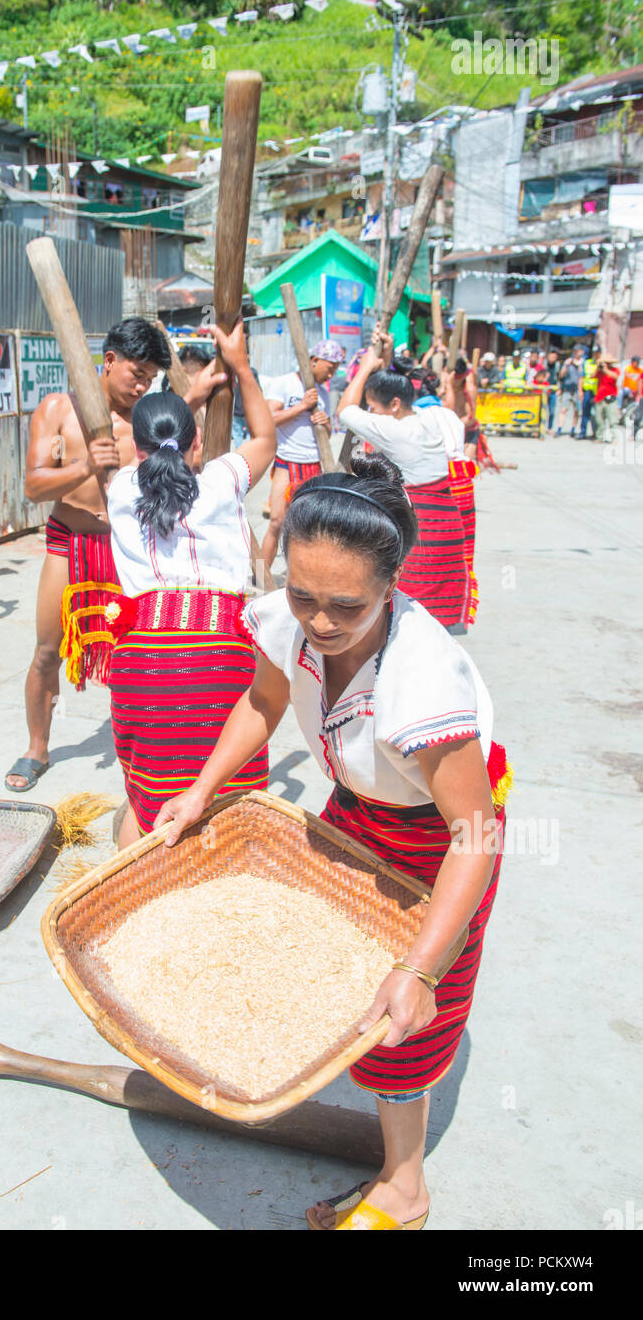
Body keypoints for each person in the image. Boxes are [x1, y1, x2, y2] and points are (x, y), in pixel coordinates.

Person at [156, 458, 510, 1231]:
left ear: (391, 585)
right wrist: (200, 789)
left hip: (438, 837)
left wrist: (421, 969)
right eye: (302, 594)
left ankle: (404, 1185)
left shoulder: (420, 679)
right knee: (327, 967)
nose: (318, 621)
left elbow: (474, 834)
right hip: (357, 807)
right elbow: (263, 697)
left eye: (344, 606)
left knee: (402, 1017)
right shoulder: (291, 621)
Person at [5, 318, 225, 792]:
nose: (142, 384)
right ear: (108, 361)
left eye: (150, 377)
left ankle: (142, 747)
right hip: (71, 539)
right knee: (47, 649)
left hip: (132, 547)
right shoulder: (58, 408)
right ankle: (36, 747)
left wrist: (200, 394)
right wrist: (86, 465)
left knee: (138, 653)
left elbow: (190, 452)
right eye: (136, 372)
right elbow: (33, 485)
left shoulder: (149, 418)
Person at [106, 319, 276, 848]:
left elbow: (159, 450)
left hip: (143, 659)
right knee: (231, 802)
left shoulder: (117, 489)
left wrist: (191, 398)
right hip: (223, 653)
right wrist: (240, 366)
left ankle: (140, 896)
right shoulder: (223, 480)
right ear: (198, 441)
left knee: (145, 801)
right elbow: (266, 437)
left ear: (136, 448)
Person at [337, 332, 470, 631]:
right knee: (433, 615)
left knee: (407, 614)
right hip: (446, 520)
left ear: (394, 404)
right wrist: (383, 359)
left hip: (420, 524)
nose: (370, 414)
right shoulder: (427, 416)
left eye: (373, 407)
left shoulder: (394, 430)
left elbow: (344, 409)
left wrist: (366, 367)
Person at [260, 339, 344, 575]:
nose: (332, 374)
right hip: (287, 462)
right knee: (276, 522)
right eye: (330, 367)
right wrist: (301, 407)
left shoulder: (325, 395)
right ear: (314, 361)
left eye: (336, 369)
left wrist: (325, 424)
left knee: (306, 528)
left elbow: (326, 435)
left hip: (313, 465)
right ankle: (259, 577)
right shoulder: (285, 383)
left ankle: (300, 577)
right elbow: (267, 418)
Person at [415, 370, 478, 627]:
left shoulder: (417, 417)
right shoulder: (450, 414)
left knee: (428, 548)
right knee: (460, 548)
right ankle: (456, 605)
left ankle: (427, 606)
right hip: (462, 479)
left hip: (438, 478)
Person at [555, 348, 583, 437]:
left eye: (578, 351)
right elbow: (561, 375)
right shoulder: (568, 362)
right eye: (574, 351)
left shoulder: (583, 363)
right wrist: (566, 366)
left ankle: (573, 430)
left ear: (582, 352)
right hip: (567, 389)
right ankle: (559, 429)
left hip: (577, 390)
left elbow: (582, 378)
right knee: (563, 410)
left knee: (576, 411)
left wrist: (580, 390)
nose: (576, 353)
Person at [592, 355, 620, 443]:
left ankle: (614, 438)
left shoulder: (614, 370)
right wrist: (598, 368)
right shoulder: (599, 371)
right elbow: (591, 376)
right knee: (599, 419)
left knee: (613, 419)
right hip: (599, 397)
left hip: (610, 398)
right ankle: (599, 436)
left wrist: (605, 369)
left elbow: (615, 377)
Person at [578, 345, 599, 439]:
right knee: (585, 412)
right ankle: (583, 432)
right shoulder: (587, 363)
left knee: (597, 414)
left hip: (598, 392)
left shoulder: (603, 364)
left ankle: (596, 433)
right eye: (594, 353)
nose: (596, 355)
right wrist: (580, 390)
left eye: (597, 353)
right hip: (588, 391)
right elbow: (582, 377)